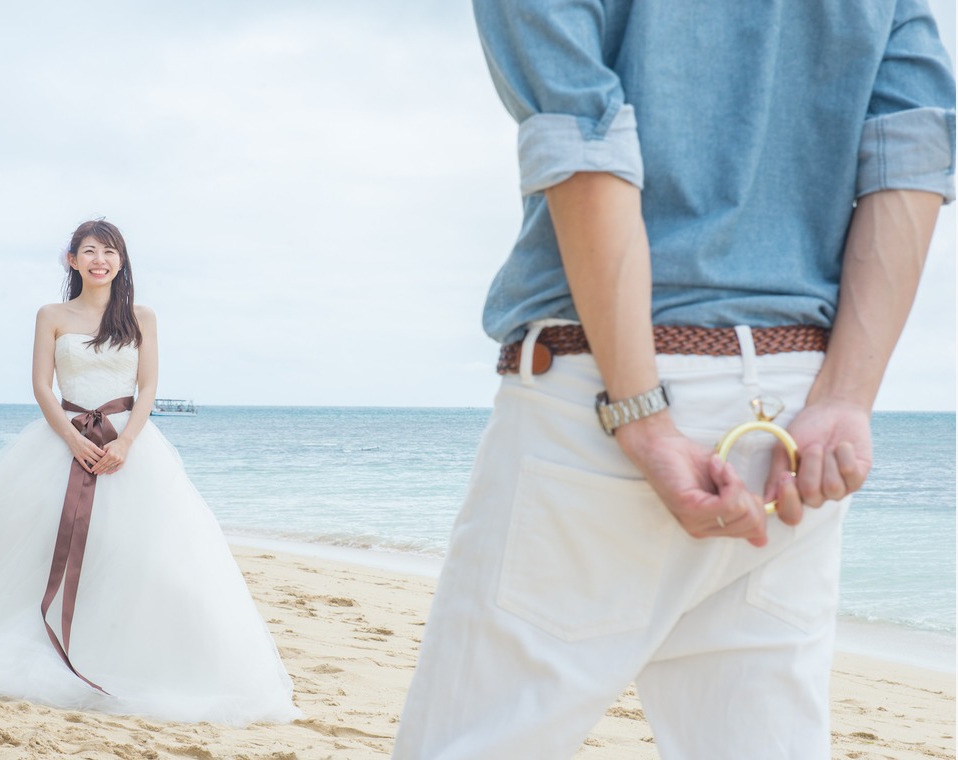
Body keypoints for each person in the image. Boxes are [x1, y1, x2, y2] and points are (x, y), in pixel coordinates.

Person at [393, 1, 954, 758]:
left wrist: (640, 412)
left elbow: (582, 136)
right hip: (794, 416)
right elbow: (909, 147)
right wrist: (846, 398)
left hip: (605, 399)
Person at [0, 219, 299, 725]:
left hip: (128, 445)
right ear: (71, 260)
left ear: (122, 261)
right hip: (61, 442)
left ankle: (125, 649)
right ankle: (50, 642)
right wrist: (72, 438)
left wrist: (127, 442)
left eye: (110, 251)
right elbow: (41, 387)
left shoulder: (142, 317)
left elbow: (148, 390)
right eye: (89, 251)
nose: (100, 260)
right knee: (41, 547)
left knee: (139, 553)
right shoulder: (51, 314)